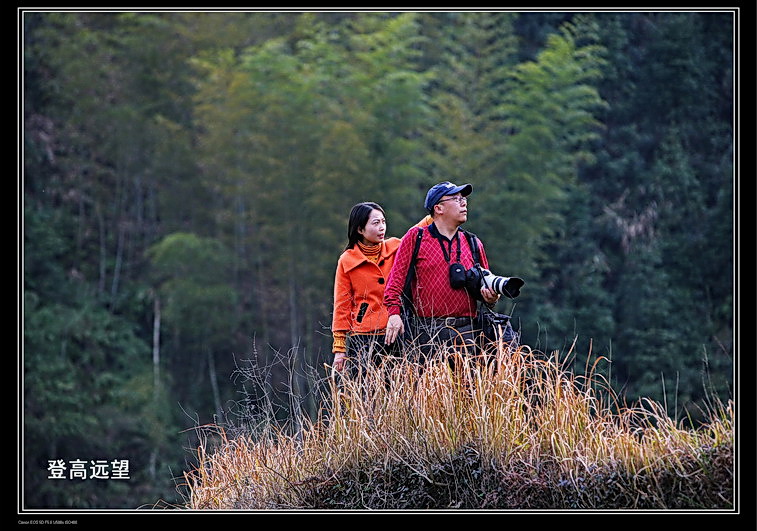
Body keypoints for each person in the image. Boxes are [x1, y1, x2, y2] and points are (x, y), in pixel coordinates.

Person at [383, 181, 500, 359]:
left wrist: (491, 298)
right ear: (438, 208)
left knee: (466, 387)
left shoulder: (473, 243)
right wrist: (394, 314)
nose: (464, 203)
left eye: (464, 199)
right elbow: (394, 283)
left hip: (467, 332)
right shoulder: (416, 237)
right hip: (426, 333)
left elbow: (486, 287)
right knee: (426, 387)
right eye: (456, 199)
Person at [331, 202, 431, 373]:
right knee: (366, 393)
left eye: (383, 222)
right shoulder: (347, 261)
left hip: (397, 331)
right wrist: (339, 348)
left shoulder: (395, 247)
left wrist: (435, 215)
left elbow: (415, 233)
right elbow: (342, 305)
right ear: (360, 229)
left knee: (399, 389)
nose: (382, 228)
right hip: (363, 337)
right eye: (375, 223)